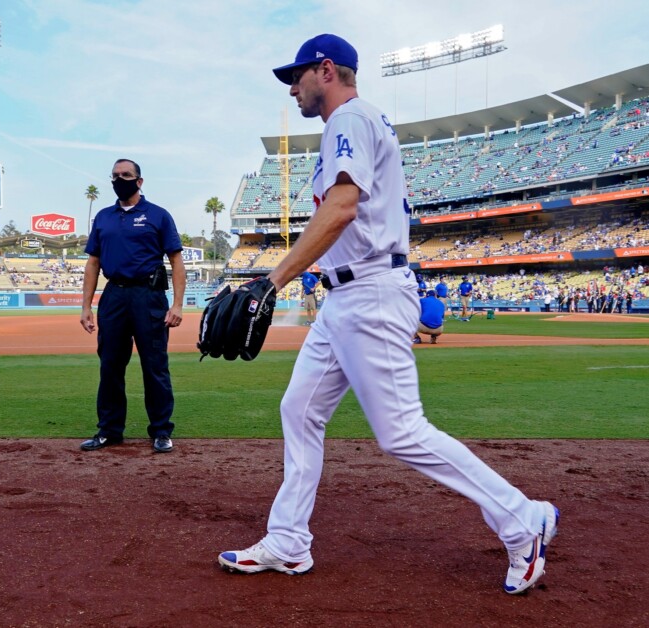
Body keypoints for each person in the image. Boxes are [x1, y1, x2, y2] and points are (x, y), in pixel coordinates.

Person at [217, 34, 558, 595]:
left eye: (296, 76)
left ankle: (523, 520)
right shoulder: (353, 123)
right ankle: (288, 541)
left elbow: (344, 209)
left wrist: (273, 278)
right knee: (299, 410)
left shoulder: (347, 119)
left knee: (401, 431)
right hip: (346, 298)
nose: (292, 87)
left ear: (326, 71)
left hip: (371, 292)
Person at [79, 159, 185, 454]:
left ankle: (161, 431)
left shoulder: (158, 215)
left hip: (148, 296)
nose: (119, 179)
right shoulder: (103, 217)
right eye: (115, 176)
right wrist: (85, 306)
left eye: (126, 175)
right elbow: (93, 263)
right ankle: (109, 430)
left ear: (139, 181)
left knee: (155, 367)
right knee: (110, 366)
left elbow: (176, 260)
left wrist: (177, 304)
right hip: (113, 296)